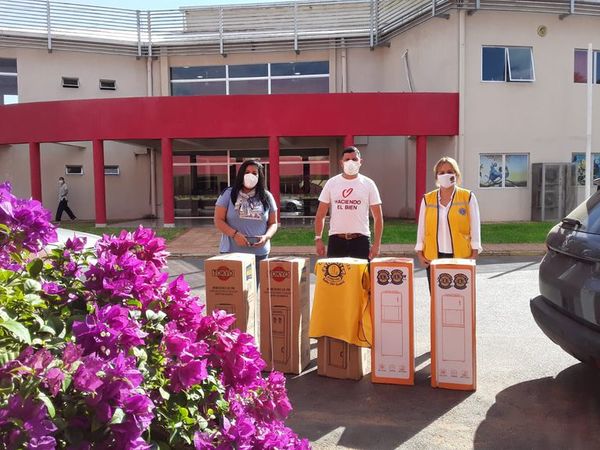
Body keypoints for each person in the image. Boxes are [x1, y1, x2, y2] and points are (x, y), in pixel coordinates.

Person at [415, 156, 482, 287]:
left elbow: (475, 226)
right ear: (436, 177)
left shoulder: (467, 197)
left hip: (461, 256)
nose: (446, 175)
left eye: (450, 171)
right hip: (433, 256)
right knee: (436, 297)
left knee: (459, 297)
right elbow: (421, 229)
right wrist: (419, 253)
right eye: (441, 172)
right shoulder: (427, 199)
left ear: (456, 175)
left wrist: (474, 254)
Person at [314, 146, 383, 260]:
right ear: (341, 163)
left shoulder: (369, 184)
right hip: (336, 240)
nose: (350, 162)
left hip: (361, 240)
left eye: (354, 159)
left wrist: (377, 244)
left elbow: (378, 217)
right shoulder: (332, 183)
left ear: (360, 162)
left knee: (361, 277)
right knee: (336, 276)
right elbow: (320, 214)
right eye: (347, 160)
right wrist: (318, 238)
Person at [214, 159, 278, 275]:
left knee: (254, 291)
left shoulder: (267, 196)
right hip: (232, 253)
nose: (250, 176)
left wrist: (266, 237)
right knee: (234, 292)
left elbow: (273, 223)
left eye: (254, 173)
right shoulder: (228, 194)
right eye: (247, 172)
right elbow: (218, 220)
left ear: (260, 177)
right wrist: (234, 234)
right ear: (241, 174)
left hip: (259, 254)